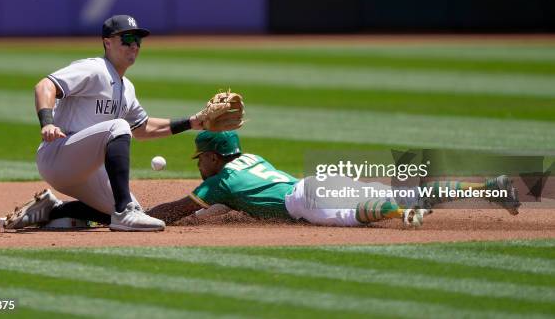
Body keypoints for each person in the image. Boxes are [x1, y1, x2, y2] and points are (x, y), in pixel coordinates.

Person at [3, 15, 209, 231]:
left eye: (138, 40)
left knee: (136, 209)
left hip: (88, 169)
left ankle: (51, 210)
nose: (134, 45)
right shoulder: (94, 69)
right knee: (118, 127)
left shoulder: (127, 87)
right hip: (58, 156)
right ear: (107, 42)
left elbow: (142, 128)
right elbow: (44, 85)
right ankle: (123, 214)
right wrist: (47, 123)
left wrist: (192, 123)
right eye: (127, 38)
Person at [146, 131, 521, 228]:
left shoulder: (218, 183)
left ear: (212, 157)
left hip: (304, 201)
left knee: (353, 216)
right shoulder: (252, 158)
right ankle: (489, 186)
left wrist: (139, 214)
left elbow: (176, 211)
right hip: (317, 180)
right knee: (403, 192)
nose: (199, 167)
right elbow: (217, 209)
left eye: (201, 160)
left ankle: (401, 213)